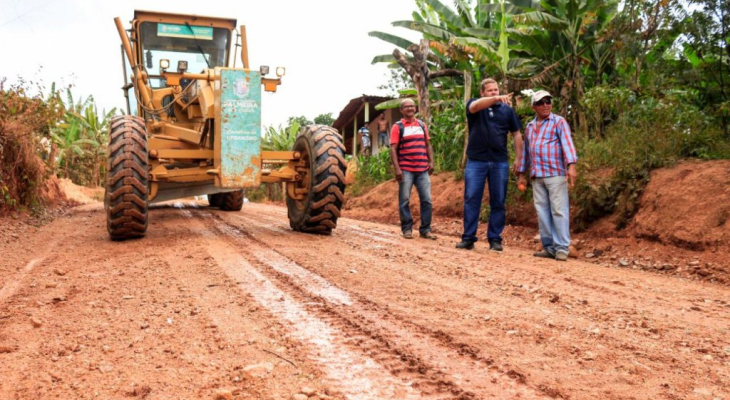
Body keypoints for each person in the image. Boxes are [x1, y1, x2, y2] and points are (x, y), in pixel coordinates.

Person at [456, 79, 523, 251]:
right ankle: (468, 238)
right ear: (482, 93)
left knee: (498, 200)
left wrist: (518, 158)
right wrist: (497, 99)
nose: (494, 92)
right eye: (490, 91)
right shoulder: (474, 105)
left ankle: (495, 239)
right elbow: (474, 106)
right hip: (476, 161)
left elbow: (516, 134)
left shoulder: (507, 110)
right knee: (471, 199)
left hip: (499, 161)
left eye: (496, 90)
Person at [517, 90, 578, 261]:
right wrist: (521, 174)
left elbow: (567, 144)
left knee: (559, 210)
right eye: (541, 102)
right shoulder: (529, 127)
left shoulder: (559, 122)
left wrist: (571, 166)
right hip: (537, 176)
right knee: (542, 212)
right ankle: (549, 246)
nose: (546, 105)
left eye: (548, 101)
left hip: (555, 173)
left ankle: (561, 248)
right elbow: (526, 153)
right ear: (533, 106)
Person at [390, 99, 436, 240]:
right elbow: (393, 148)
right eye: (406, 106)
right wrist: (397, 169)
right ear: (401, 110)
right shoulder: (397, 127)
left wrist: (431, 161)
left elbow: (427, 144)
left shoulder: (421, 125)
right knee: (404, 200)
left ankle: (425, 229)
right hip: (405, 170)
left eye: (412, 106)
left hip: (422, 169)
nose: (410, 108)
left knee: (427, 200)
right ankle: (407, 229)